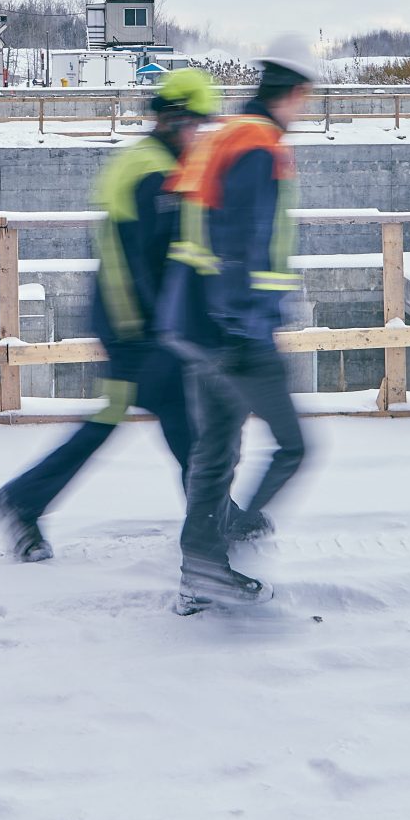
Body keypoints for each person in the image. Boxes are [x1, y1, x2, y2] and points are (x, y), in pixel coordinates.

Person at [0, 68, 221, 562]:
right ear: (175, 119)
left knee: (156, 421)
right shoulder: (153, 174)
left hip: (135, 326)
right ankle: (214, 524)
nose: (202, 134)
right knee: (177, 424)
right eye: (198, 123)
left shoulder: (155, 163)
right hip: (137, 329)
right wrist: (155, 330)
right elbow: (138, 261)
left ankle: (23, 501)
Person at [160, 57, 316, 613]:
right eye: (305, 99)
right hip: (234, 328)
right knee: (293, 446)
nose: (304, 110)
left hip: (195, 319)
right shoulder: (257, 146)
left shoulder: (225, 133)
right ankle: (230, 534)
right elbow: (242, 241)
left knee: (216, 446)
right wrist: (242, 326)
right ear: (292, 94)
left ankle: (201, 567)